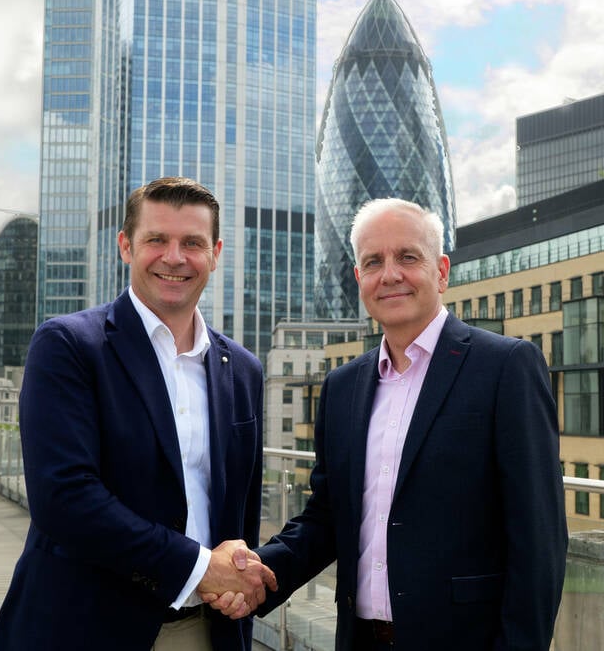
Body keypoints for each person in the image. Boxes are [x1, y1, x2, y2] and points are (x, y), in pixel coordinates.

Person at [209, 198, 568, 650]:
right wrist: (256, 572)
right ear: (359, 278)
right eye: (373, 262)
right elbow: (327, 518)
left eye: (408, 257)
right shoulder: (342, 387)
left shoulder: (506, 367)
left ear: (441, 271)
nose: (390, 274)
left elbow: (539, 542)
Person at [0, 177, 276, 651]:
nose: (174, 257)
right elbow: (64, 498)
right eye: (156, 240)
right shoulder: (69, 346)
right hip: (83, 626)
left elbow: (240, 510)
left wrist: (235, 577)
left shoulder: (242, 369)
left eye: (192, 243)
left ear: (216, 252)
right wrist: (201, 568)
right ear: (126, 246)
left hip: (206, 630)